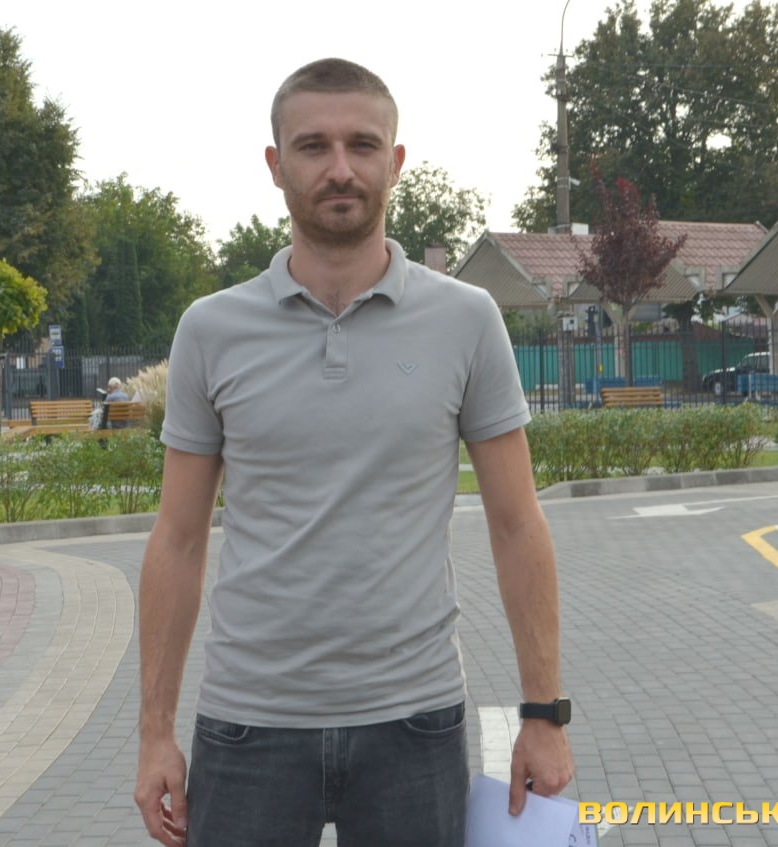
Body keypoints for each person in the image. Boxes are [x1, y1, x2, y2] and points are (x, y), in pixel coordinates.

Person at [135, 58, 573, 847]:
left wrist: (543, 713)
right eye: (313, 146)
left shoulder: (467, 320)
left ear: (395, 162)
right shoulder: (211, 329)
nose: (340, 168)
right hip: (248, 724)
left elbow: (517, 523)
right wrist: (154, 731)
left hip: (415, 721)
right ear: (276, 165)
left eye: (362, 145)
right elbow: (178, 536)